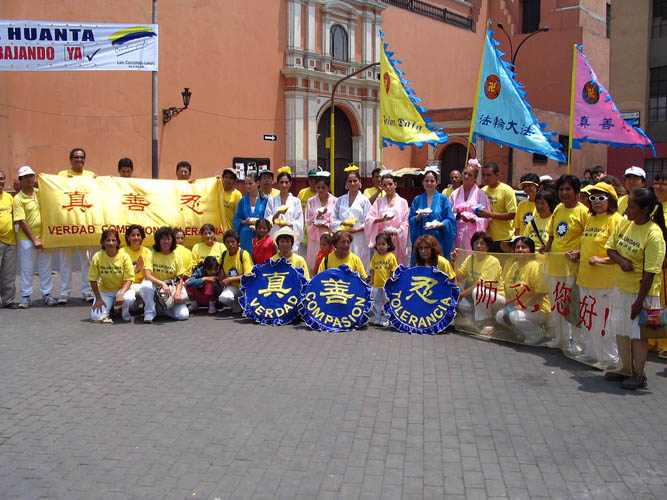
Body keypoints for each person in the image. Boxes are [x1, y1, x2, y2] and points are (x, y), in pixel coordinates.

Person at [604, 188, 666, 390]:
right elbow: (610, 248)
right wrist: (621, 261)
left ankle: (639, 374)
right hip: (621, 288)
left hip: (643, 293)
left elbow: (650, 273)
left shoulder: (654, 234)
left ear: (645, 209)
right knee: (621, 329)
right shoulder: (625, 223)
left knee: (639, 333)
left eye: (631, 207)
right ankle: (625, 368)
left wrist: (638, 303)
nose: (627, 210)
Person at [568, 182, 622, 367]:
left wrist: (602, 260)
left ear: (610, 200)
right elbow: (587, 244)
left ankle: (609, 359)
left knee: (605, 322)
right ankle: (591, 353)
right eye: (593, 198)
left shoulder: (616, 220)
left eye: (601, 198)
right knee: (589, 318)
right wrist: (578, 253)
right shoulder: (591, 218)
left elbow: (621, 252)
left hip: (605, 280)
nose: (596, 202)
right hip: (586, 278)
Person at [541, 175, 590, 353]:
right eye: (561, 189)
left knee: (573, 306)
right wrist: (547, 247)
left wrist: (579, 252)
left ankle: (578, 342)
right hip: (555, 266)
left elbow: (588, 239)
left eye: (568, 189)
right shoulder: (558, 208)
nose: (564, 193)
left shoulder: (584, 212)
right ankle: (560, 338)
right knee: (557, 304)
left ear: (577, 192)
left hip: (572, 268)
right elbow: (552, 234)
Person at [57, 147, 96, 303]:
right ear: (70, 159)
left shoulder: (91, 176)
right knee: (65, 261)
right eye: (76, 157)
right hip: (67, 224)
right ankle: (64, 292)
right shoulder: (61, 175)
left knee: (86, 261)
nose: (79, 160)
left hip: (85, 225)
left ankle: (87, 291)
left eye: (81, 157)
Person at [14, 166, 56, 308]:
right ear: (20, 180)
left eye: (31, 176)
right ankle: (26, 296)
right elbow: (22, 221)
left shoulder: (40, 193)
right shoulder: (18, 199)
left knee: (46, 267)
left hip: (44, 237)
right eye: (26, 177)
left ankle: (47, 294)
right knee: (27, 269)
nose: (29, 179)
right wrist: (34, 240)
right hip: (27, 240)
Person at [495, 237, 550, 345]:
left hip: (537, 309)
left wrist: (523, 305)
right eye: (517, 247)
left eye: (524, 247)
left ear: (531, 250)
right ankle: (520, 332)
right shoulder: (515, 265)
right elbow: (507, 285)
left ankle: (536, 334)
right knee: (499, 316)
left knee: (514, 316)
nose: (520, 250)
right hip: (518, 307)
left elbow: (541, 292)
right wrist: (510, 303)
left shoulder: (535, 266)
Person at [140, 226, 189, 323]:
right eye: (163, 239)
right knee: (146, 285)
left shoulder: (177, 257)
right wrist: (162, 284)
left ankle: (161, 309)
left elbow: (180, 278)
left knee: (183, 315)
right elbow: (147, 275)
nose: (166, 241)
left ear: (172, 240)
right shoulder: (152, 254)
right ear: (158, 240)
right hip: (155, 286)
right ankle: (149, 312)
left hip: (170, 290)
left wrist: (177, 292)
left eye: (168, 239)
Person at [408, 167, 456, 265]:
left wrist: (441, 224)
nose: (429, 183)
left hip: (438, 238)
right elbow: (411, 219)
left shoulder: (443, 199)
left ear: (436, 183)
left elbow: (450, 219)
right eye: (427, 181)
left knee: (437, 265)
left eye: (432, 181)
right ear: (423, 182)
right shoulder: (417, 199)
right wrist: (418, 218)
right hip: (421, 239)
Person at [455, 232, 504, 325]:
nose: (478, 246)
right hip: (474, 296)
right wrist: (454, 261)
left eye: (482, 243)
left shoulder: (493, 261)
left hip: (495, 297)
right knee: (453, 292)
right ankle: (471, 320)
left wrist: (462, 295)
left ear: (488, 246)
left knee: (478, 291)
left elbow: (481, 284)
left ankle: (485, 322)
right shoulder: (470, 258)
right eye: (476, 243)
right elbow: (459, 276)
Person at [88, 229, 134, 323]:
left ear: (117, 242)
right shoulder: (97, 256)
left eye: (113, 240)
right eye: (108, 240)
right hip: (105, 291)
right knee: (96, 317)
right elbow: (92, 279)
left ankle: (124, 313)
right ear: (103, 242)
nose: (111, 243)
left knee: (127, 298)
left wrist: (121, 294)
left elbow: (129, 279)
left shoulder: (124, 257)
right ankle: (110, 307)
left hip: (121, 289)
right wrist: (98, 299)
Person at [365, 172, 410, 266]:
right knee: (382, 265)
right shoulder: (379, 202)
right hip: (382, 240)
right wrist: (382, 219)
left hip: (397, 238)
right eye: (385, 185)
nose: (388, 187)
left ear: (395, 184)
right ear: (381, 186)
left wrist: (398, 231)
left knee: (396, 265)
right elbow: (369, 218)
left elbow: (405, 221)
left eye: (390, 184)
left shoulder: (402, 202)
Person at [331, 166, 371, 269]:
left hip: (359, 237)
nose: (352, 183)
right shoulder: (340, 200)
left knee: (358, 261)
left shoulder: (364, 201)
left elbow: (368, 221)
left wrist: (355, 230)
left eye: (355, 181)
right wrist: (342, 225)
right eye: (350, 181)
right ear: (346, 183)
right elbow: (333, 219)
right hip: (343, 237)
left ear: (359, 182)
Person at [448, 164, 491, 250]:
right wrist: (458, 215)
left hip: (474, 233)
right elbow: (449, 213)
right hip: (458, 232)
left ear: (475, 178)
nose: (466, 176)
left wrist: (474, 220)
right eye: (465, 173)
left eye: (470, 175)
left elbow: (487, 217)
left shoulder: (480, 194)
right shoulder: (454, 194)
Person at [264, 166, 304, 252]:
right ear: (278, 184)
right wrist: (278, 213)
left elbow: (299, 222)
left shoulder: (296, 201)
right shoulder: (271, 200)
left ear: (290, 183)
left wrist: (288, 224)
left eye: (286, 182)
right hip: (276, 235)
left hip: (290, 236)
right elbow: (267, 219)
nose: (284, 185)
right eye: (281, 182)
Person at [478, 162, 517, 247]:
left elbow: (512, 214)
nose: (485, 178)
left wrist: (490, 215)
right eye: (484, 175)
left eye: (489, 175)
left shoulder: (507, 190)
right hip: (487, 239)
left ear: (497, 175)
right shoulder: (482, 191)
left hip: (504, 238)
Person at [305, 176, 337, 275]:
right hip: (315, 235)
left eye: (323, 187)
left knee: (330, 260)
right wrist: (317, 216)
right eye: (318, 187)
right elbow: (308, 220)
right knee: (314, 261)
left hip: (329, 235)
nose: (320, 190)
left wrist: (327, 222)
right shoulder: (311, 201)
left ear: (328, 187)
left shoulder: (335, 201)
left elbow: (337, 218)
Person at [219, 230, 253, 314]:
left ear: (238, 243)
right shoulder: (224, 255)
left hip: (245, 288)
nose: (230, 244)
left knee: (246, 315)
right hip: (233, 287)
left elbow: (248, 275)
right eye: (227, 242)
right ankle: (238, 306)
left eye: (233, 241)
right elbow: (221, 267)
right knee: (223, 298)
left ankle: (247, 307)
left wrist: (229, 279)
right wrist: (221, 276)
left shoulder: (244, 254)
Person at [233, 172, 269, 254]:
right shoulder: (243, 200)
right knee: (246, 258)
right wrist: (244, 222)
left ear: (258, 183)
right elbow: (236, 218)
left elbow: (269, 218)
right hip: (245, 236)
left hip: (261, 235)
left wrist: (260, 225)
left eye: (250, 183)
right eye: (246, 184)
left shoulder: (266, 199)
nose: (247, 186)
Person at [120, 224, 152, 315]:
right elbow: (120, 274)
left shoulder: (147, 252)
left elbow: (150, 272)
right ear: (128, 237)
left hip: (142, 283)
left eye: (138, 235)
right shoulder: (121, 252)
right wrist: (136, 269)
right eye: (133, 235)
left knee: (147, 286)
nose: (136, 237)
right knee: (132, 307)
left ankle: (148, 310)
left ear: (142, 238)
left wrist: (144, 284)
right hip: (127, 285)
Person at [369, 232, 398, 326]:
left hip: (387, 285)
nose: (380, 246)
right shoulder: (375, 256)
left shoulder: (391, 256)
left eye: (383, 244)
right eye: (378, 244)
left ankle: (386, 319)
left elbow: (393, 271)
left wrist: (392, 282)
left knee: (387, 302)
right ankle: (376, 319)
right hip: (377, 284)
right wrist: (372, 280)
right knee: (376, 302)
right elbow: (373, 269)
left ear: (388, 245)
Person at [0, 169, 17, 308]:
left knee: (8, 274)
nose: (0, 181)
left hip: (10, 241)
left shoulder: (9, 197)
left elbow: (14, 216)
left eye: (1, 179)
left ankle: (8, 300)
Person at [297, 168, 320, 258]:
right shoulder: (302, 193)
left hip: (317, 234)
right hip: (303, 234)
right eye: (311, 179)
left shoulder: (322, 193)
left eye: (316, 179)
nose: (313, 181)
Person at [220, 168, 242, 233]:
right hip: (217, 231)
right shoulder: (217, 191)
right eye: (226, 177)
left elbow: (239, 215)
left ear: (235, 181)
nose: (228, 180)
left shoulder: (237, 195)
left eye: (231, 178)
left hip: (230, 231)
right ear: (222, 179)